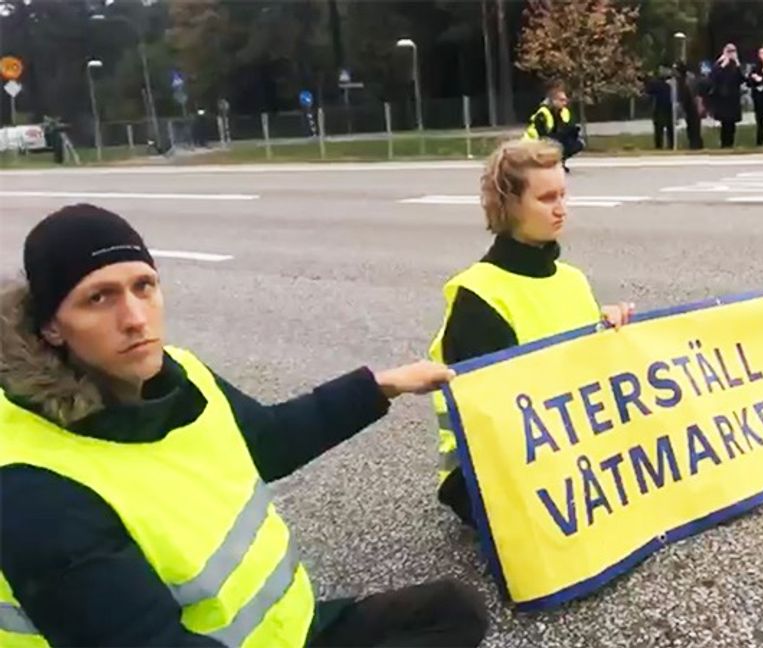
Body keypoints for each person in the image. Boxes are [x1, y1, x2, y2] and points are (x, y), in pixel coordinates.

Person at [0, 205, 489, 647]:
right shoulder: (33, 486)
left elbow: (267, 441)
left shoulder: (180, 374)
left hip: (290, 633)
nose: (134, 318)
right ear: (51, 327)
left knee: (452, 612)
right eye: (99, 298)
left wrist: (382, 386)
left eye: (143, 286)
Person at [428, 139, 635, 528]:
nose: (561, 208)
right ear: (509, 205)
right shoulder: (478, 296)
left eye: (563, 194)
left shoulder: (572, 280)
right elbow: (495, 425)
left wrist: (609, 328)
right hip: (481, 471)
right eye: (546, 198)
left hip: (562, 447)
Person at [523, 83, 583, 172]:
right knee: (555, 143)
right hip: (535, 141)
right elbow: (542, 134)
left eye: (565, 100)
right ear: (553, 100)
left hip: (553, 138)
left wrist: (572, 131)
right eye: (561, 100)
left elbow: (567, 128)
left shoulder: (564, 112)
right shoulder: (543, 113)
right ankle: (545, 163)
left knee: (576, 144)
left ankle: (559, 163)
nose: (565, 103)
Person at [708, 43, 745, 148]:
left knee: (732, 124)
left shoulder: (736, 65)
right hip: (723, 98)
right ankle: (724, 144)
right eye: (729, 51)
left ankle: (730, 144)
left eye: (733, 51)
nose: (731, 54)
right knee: (724, 123)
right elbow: (713, 78)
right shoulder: (719, 64)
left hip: (733, 98)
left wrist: (737, 63)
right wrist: (723, 64)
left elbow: (742, 79)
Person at [674, 61, 704, 150]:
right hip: (687, 106)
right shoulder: (681, 80)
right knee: (691, 127)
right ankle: (694, 144)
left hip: (692, 106)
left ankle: (696, 145)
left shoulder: (688, 80)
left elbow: (693, 93)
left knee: (694, 127)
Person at [645, 64, 675, 150]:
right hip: (666, 107)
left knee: (660, 128)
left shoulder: (657, 83)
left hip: (661, 107)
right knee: (668, 127)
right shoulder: (669, 84)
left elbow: (648, 92)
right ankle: (670, 145)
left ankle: (660, 145)